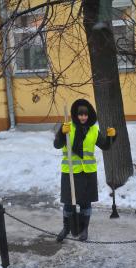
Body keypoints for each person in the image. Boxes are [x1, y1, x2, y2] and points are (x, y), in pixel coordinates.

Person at [53, 99, 116, 242]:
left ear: (89, 115)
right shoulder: (68, 127)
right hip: (70, 172)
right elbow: (57, 145)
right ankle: (66, 228)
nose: (83, 117)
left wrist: (112, 136)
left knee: (85, 203)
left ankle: (84, 229)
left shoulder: (94, 130)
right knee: (69, 203)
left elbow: (106, 146)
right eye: (80, 115)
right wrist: (62, 133)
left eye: (85, 115)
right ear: (76, 115)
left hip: (87, 173)